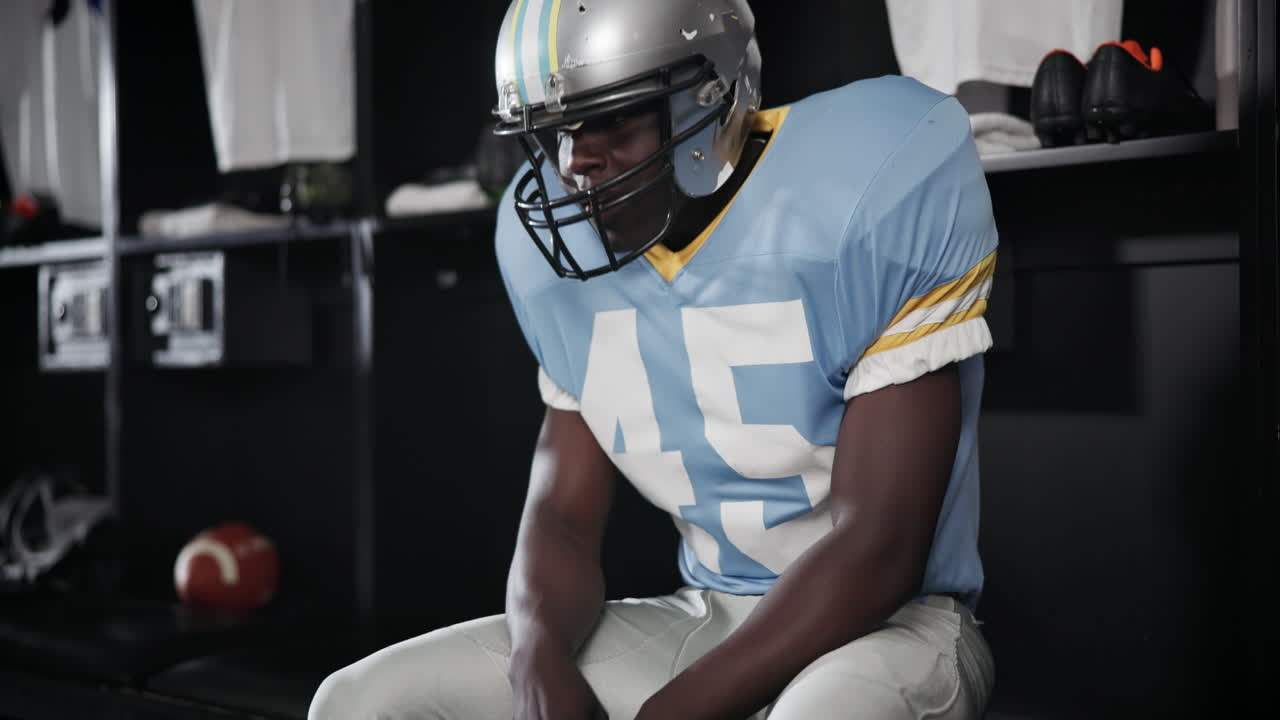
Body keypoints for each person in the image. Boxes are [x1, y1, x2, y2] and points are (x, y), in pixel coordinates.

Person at [309, 1, 998, 718]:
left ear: (709, 95)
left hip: (894, 631)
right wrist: (537, 664)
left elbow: (880, 548)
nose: (576, 162)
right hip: (707, 613)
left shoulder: (871, 174)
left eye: (612, 119)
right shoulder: (548, 249)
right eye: (556, 130)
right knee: (356, 702)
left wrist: (670, 711)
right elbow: (561, 519)